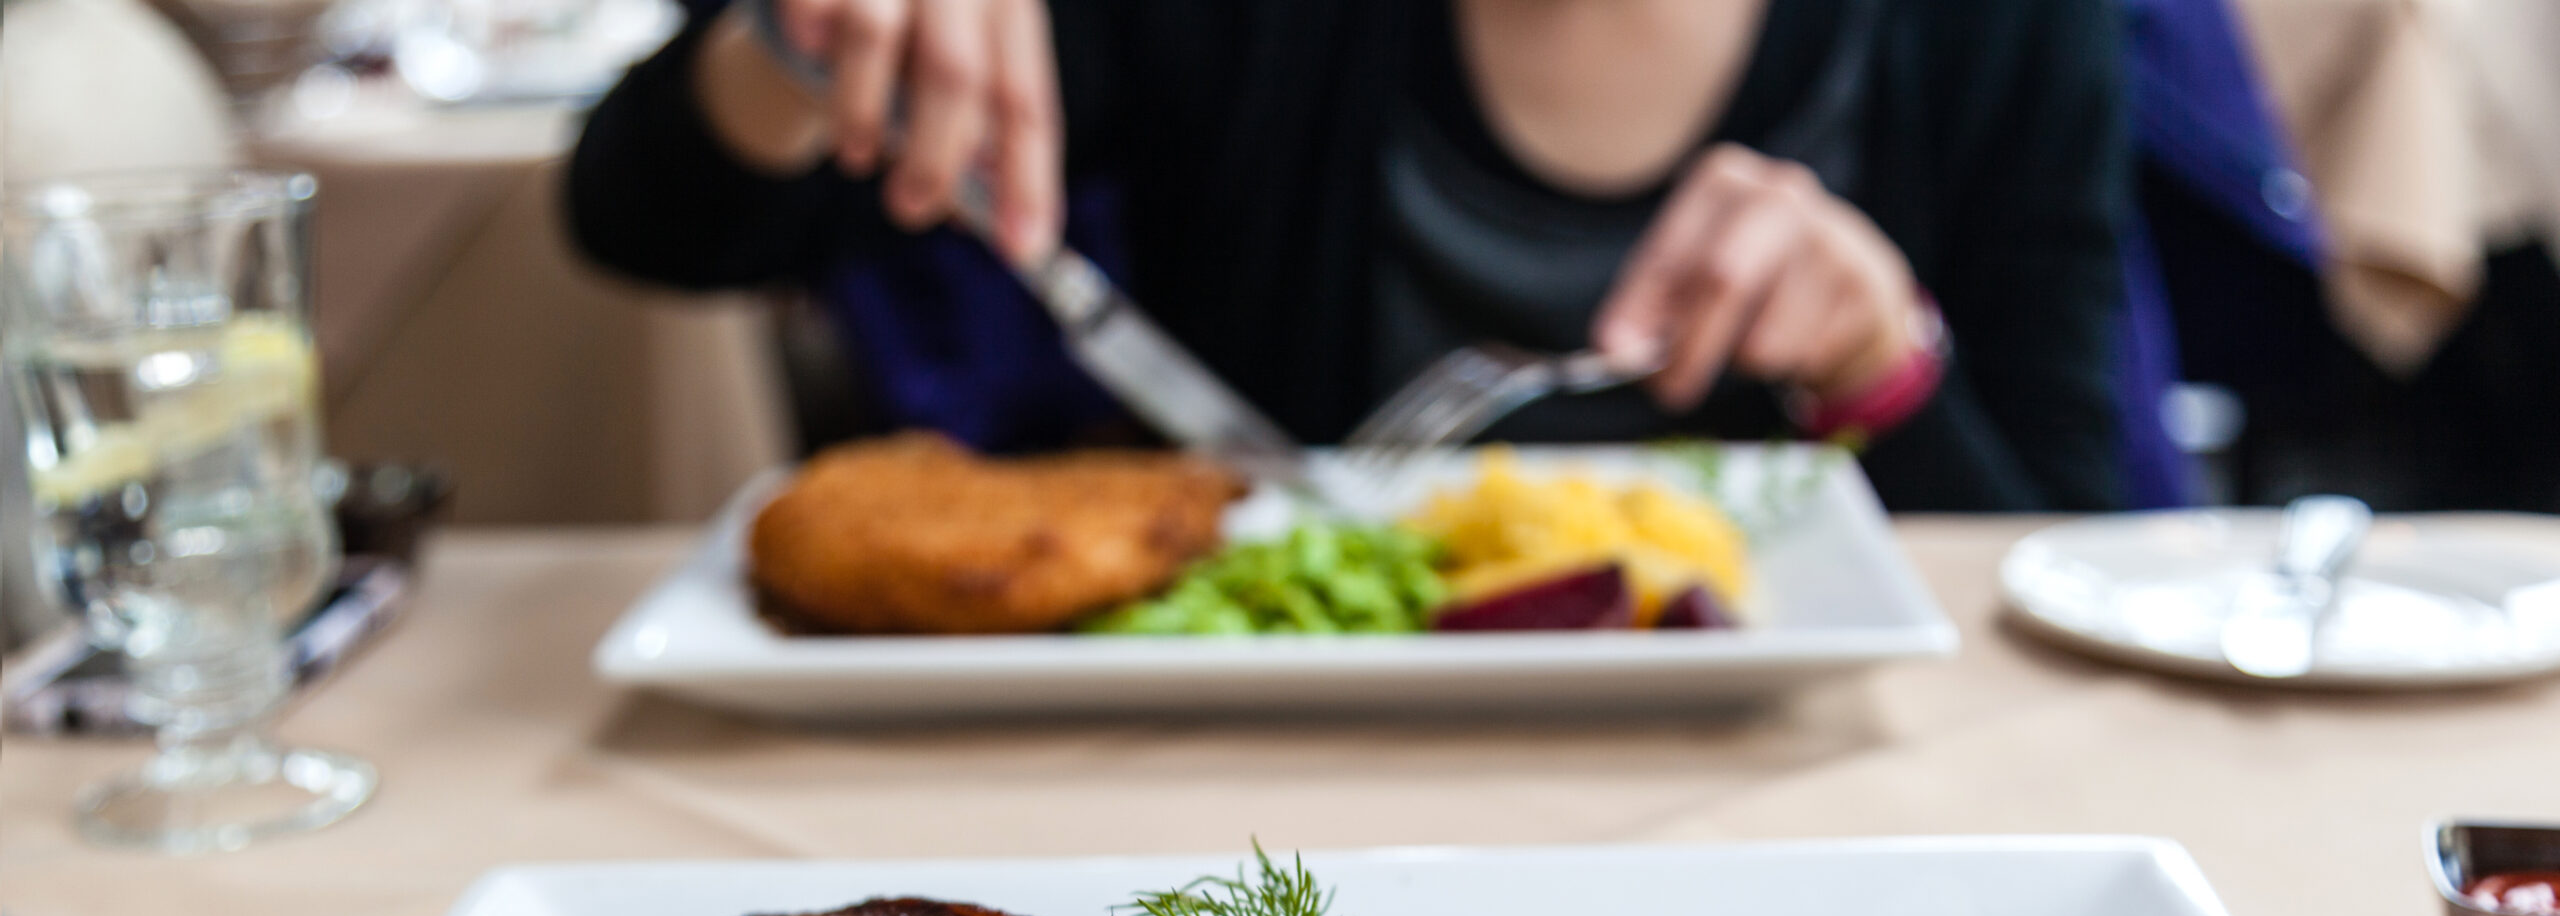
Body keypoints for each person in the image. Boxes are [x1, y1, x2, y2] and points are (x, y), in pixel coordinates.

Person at [570, 0, 2128, 510]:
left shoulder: (1995, 30)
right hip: (1278, 787)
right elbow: (650, 217)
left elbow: (2072, 528)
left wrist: (1879, 365)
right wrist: (793, 37)